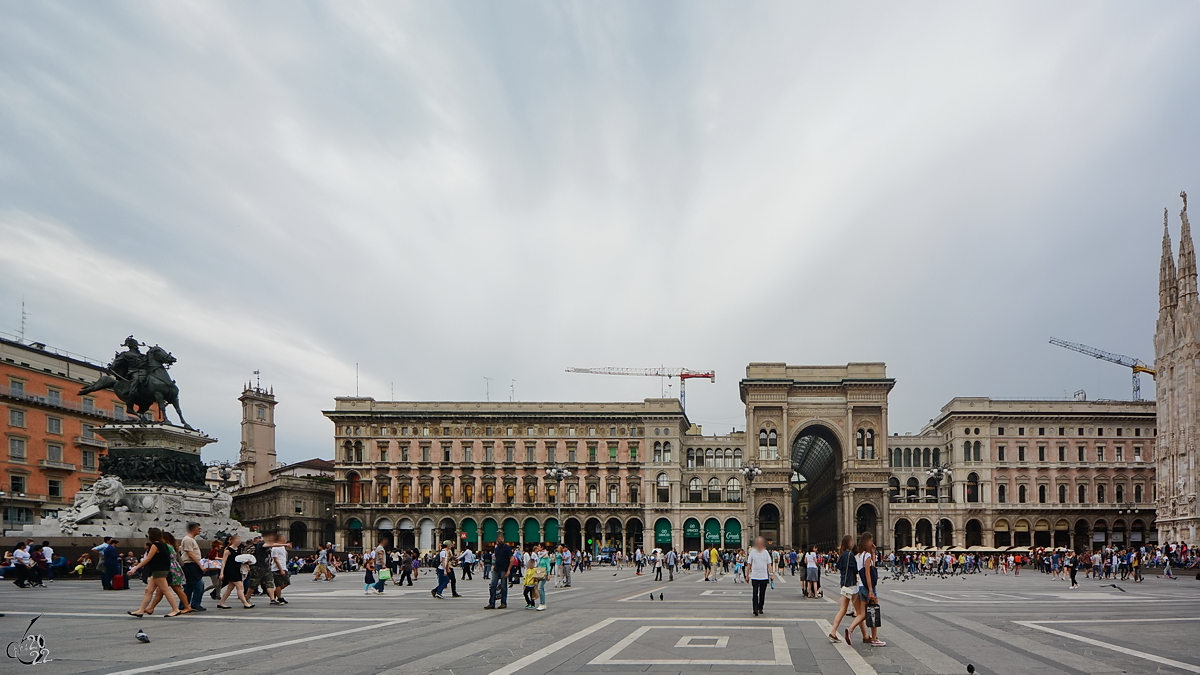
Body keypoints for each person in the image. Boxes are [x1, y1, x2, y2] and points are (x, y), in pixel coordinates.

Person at [127, 528, 182, 618]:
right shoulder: (163, 544)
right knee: (148, 590)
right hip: (161, 570)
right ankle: (141, 610)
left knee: (165, 590)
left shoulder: (155, 545)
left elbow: (148, 559)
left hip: (158, 571)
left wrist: (135, 568)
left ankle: (175, 609)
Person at [848, 532, 884, 647]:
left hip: (861, 586)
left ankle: (850, 630)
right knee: (874, 610)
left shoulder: (858, 556)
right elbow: (868, 573)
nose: (872, 543)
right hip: (868, 587)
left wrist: (873, 552)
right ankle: (873, 638)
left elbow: (870, 567)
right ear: (866, 542)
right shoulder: (866, 556)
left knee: (863, 613)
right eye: (871, 540)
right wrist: (871, 590)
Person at [827, 535, 858, 643]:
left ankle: (833, 631)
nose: (853, 543)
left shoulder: (842, 554)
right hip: (851, 585)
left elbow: (839, 566)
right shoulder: (850, 555)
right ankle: (859, 633)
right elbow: (856, 569)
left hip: (844, 584)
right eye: (852, 541)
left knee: (843, 610)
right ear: (849, 543)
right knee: (860, 612)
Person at [216, 534, 254, 609]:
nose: (239, 542)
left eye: (239, 541)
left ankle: (221, 603)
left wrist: (247, 563)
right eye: (237, 540)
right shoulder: (228, 550)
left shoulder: (239, 549)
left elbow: (241, 559)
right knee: (240, 586)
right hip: (230, 570)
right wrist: (221, 573)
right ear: (232, 541)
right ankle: (245, 603)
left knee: (230, 588)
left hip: (237, 570)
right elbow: (223, 562)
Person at [180, 523, 206, 612]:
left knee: (189, 586)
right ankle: (195, 604)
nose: (200, 530)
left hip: (192, 564)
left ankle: (184, 604)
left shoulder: (191, 539)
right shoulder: (188, 540)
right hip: (190, 565)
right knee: (199, 585)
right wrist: (200, 565)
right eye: (198, 528)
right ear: (193, 529)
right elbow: (190, 554)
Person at [746, 537, 774, 616]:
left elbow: (769, 564)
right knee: (755, 593)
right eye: (758, 543)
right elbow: (749, 565)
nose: (759, 544)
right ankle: (755, 609)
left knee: (762, 593)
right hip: (755, 576)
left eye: (761, 543)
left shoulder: (765, 552)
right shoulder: (752, 552)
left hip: (764, 577)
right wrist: (747, 575)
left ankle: (760, 606)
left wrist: (771, 574)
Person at [485, 535, 512, 609]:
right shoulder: (496, 549)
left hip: (504, 569)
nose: (500, 541)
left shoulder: (507, 548)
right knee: (493, 585)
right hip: (496, 569)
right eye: (498, 540)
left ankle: (503, 603)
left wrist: (508, 570)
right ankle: (491, 603)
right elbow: (495, 558)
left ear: (503, 539)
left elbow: (512, 559)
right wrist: (493, 566)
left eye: (501, 539)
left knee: (503, 586)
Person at [272, 534, 290, 604]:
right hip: (277, 568)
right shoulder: (274, 548)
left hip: (284, 566)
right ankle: (279, 598)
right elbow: (276, 560)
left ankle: (274, 592)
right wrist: (281, 569)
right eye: (283, 538)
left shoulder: (282, 546)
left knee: (287, 582)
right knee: (278, 584)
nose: (284, 539)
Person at [535, 544, 551, 611]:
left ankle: (542, 603)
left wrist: (548, 574)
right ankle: (543, 603)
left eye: (539, 546)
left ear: (542, 547)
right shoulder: (539, 555)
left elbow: (548, 565)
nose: (538, 547)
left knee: (540, 588)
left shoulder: (545, 555)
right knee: (542, 589)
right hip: (539, 573)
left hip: (544, 573)